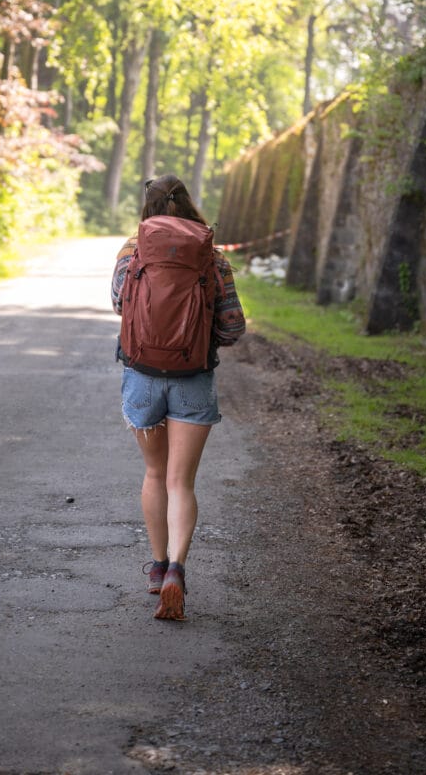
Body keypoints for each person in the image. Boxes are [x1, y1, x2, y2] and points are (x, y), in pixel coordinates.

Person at [111, 174, 245, 621]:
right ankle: (178, 572)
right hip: (193, 377)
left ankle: (156, 566)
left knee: (154, 472)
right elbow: (233, 326)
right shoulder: (212, 257)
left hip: (143, 375)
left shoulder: (132, 252)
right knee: (180, 482)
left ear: (146, 208)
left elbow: (119, 304)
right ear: (189, 204)